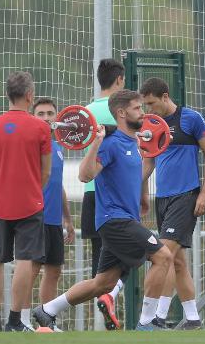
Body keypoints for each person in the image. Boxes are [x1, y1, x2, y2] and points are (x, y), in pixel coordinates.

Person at [32, 90, 173, 331]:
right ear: (121, 113)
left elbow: (131, 177)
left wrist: (143, 196)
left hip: (126, 218)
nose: (143, 113)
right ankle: (147, 323)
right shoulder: (110, 143)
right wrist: (96, 142)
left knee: (103, 283)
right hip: (114, 220)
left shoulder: (133, 143)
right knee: (164, 256)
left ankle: (47, 310)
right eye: (137, 108)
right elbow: (84, 175)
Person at [139, 77, 205, 329]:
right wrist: (133, 190)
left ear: (165, 97)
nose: (149, 110)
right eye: (145, 105)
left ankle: (156, 317)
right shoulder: (151, 124)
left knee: (161, 255)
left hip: (186, 196)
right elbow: (149, 161)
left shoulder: (191, 119)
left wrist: (204, 193)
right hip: (162, 198)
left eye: (151, 103)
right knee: (177, 261)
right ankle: (193, 318)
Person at [0, 71, 52, 332]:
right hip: (30, 203)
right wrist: (34, 188)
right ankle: (14, 320)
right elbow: (46, 171)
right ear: (30, 96)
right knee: (25, 259)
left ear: (7, 95)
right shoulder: (41, 127)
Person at [21, 97, 75, 331]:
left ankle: (46, 319)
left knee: (54, 271)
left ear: (57, 118)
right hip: (35, 217)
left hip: (54, 220)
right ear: (33, 117)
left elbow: (58, 184)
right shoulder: (30, 145)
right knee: (31, 270)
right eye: (40, 113)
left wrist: (68, 218)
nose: (45, 118)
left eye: (50, 113)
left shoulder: (59, 147)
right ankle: (20, 320)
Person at [82, 58, 126, 330]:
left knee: (99, 258)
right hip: (118, 195)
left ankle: (104, 318)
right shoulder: (123, 111)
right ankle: (111, 296)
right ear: (120, 80)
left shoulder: (85, 112)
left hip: (90, 192)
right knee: (133, 253)